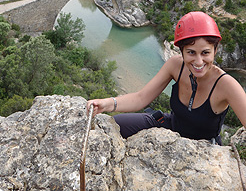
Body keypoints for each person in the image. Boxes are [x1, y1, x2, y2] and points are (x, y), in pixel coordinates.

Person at [87, 11, 246, 144]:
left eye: (205, 53)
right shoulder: (175, 65)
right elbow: (141, 98)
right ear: (182, 51)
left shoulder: (226, 85)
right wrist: (106, 104)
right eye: (191, 52)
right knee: (114, 125)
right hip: (170, 126)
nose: (198, 61)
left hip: (203, 146)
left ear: (215, 50)